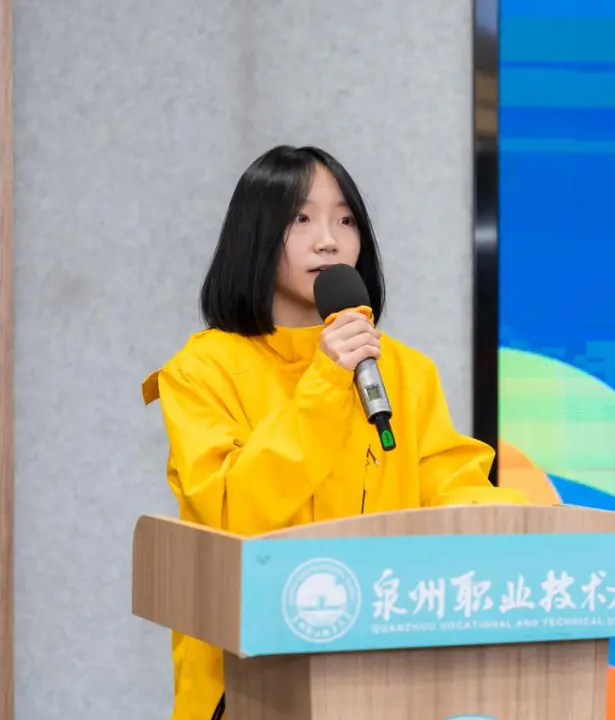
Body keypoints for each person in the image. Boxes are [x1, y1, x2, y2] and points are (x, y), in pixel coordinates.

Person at [141, 145, 528, 720]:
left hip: (383, 676)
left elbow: (450, 487)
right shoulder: (201, 371)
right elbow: (229, 511)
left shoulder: (405, 370)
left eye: (346, 220)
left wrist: (533, 531)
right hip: (250, 682)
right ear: (254, 236)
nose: (329, 241)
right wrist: (325, 382)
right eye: (301, 219)